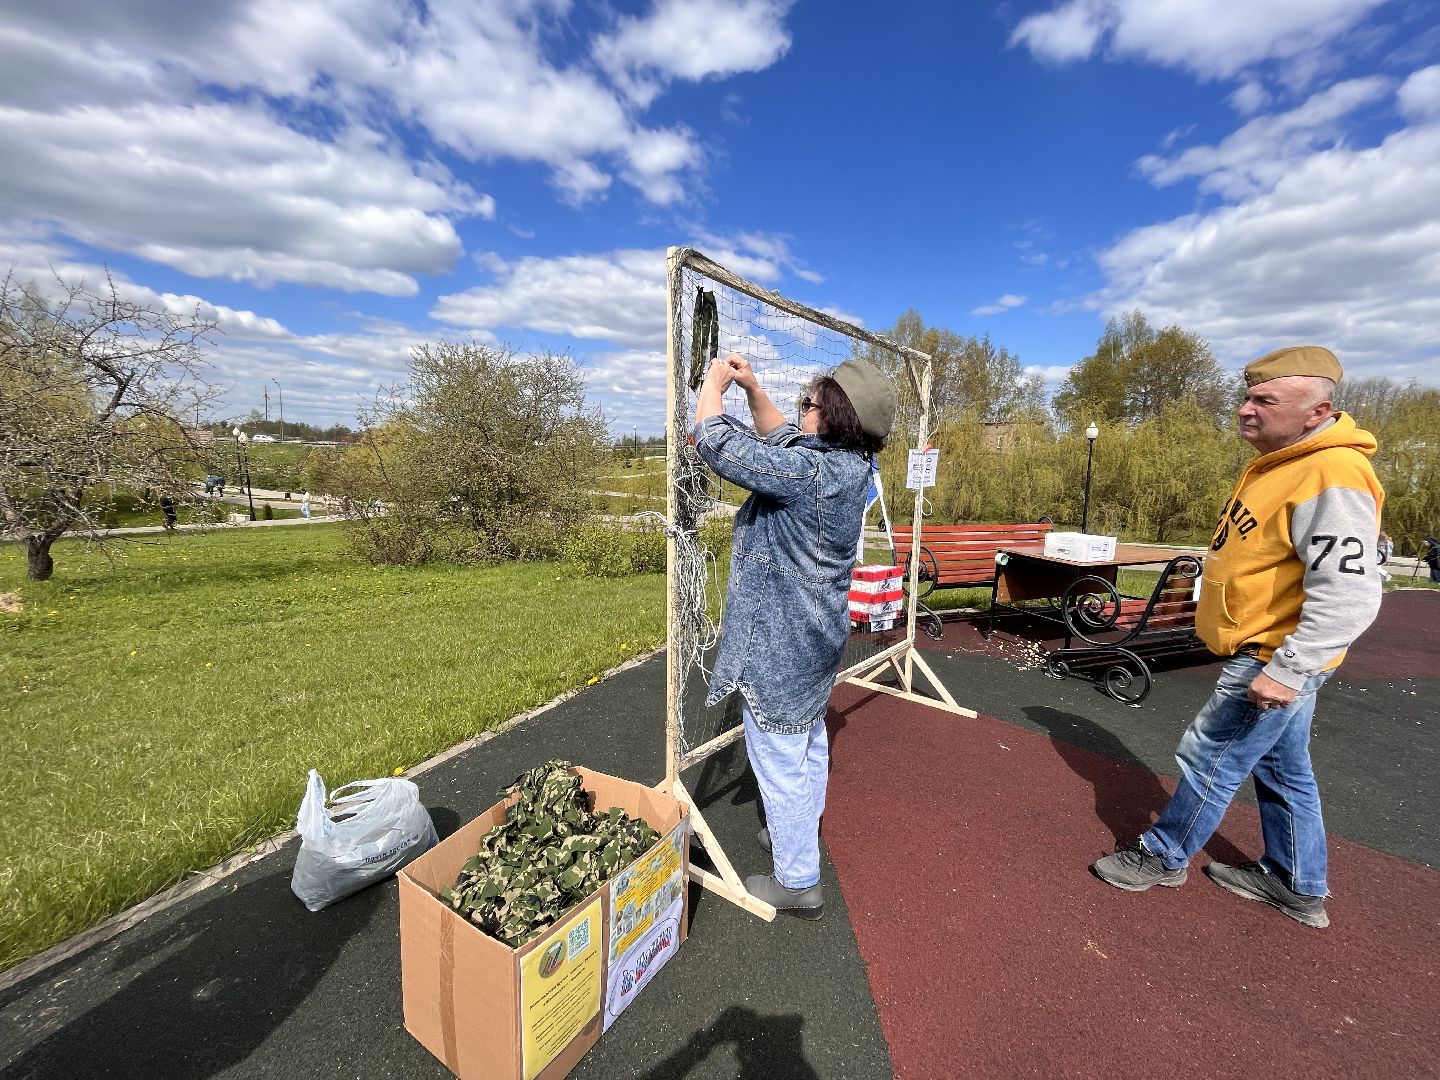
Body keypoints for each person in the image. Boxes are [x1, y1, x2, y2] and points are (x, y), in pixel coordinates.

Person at [1092, 346, 1384, 929]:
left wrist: (1289, 668)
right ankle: (1295, 882)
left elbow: (1350, 591)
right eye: (1247, 397)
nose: (1246, 409)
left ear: (1317, 411)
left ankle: (1162, 855)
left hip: (1273, 654)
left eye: (1265, 400)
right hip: (1271, 649)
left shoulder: (1333, 472)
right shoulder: (1281, 464)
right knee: (1283, 768)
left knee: (1211, 754)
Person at [693, 352, 896, 919]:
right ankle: (796, 832)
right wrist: (754, 390)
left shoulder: (808, 475)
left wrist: (713, 384)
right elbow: (781, 435)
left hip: (782, 641)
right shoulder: (847, 466)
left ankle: (799, 879)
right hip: (816, 636)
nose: (802, 407)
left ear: (834, 417)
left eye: (811, 402)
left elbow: (717, 444)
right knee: (807, 738)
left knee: (779, 753)